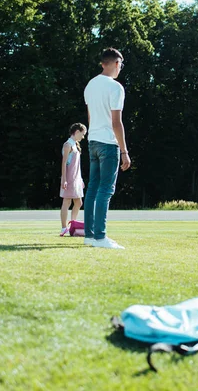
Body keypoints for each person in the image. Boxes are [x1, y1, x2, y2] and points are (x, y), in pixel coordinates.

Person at [83, 47, 131, 249]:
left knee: (93, 189)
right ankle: (101, 237)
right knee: (105, 190)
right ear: (116, 63)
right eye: (121, 65)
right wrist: (124, 151)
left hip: (93, 140)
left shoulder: (90, 85)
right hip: (108, 144)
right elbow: (116, 122)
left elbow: (90, 118)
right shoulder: (115, 87)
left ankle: (89, 236)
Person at [60, 123, 87, 236]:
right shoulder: (68, 145)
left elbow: (77, 166)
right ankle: (64, 228)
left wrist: (80, 180)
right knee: (67, 201)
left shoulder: (75, 145)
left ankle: (72, 225)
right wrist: (64, 179)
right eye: (82, 134)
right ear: (76, 132)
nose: (83, 137)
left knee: (78, 202)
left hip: (76, 179)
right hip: (69, 178)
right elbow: (64, 164)